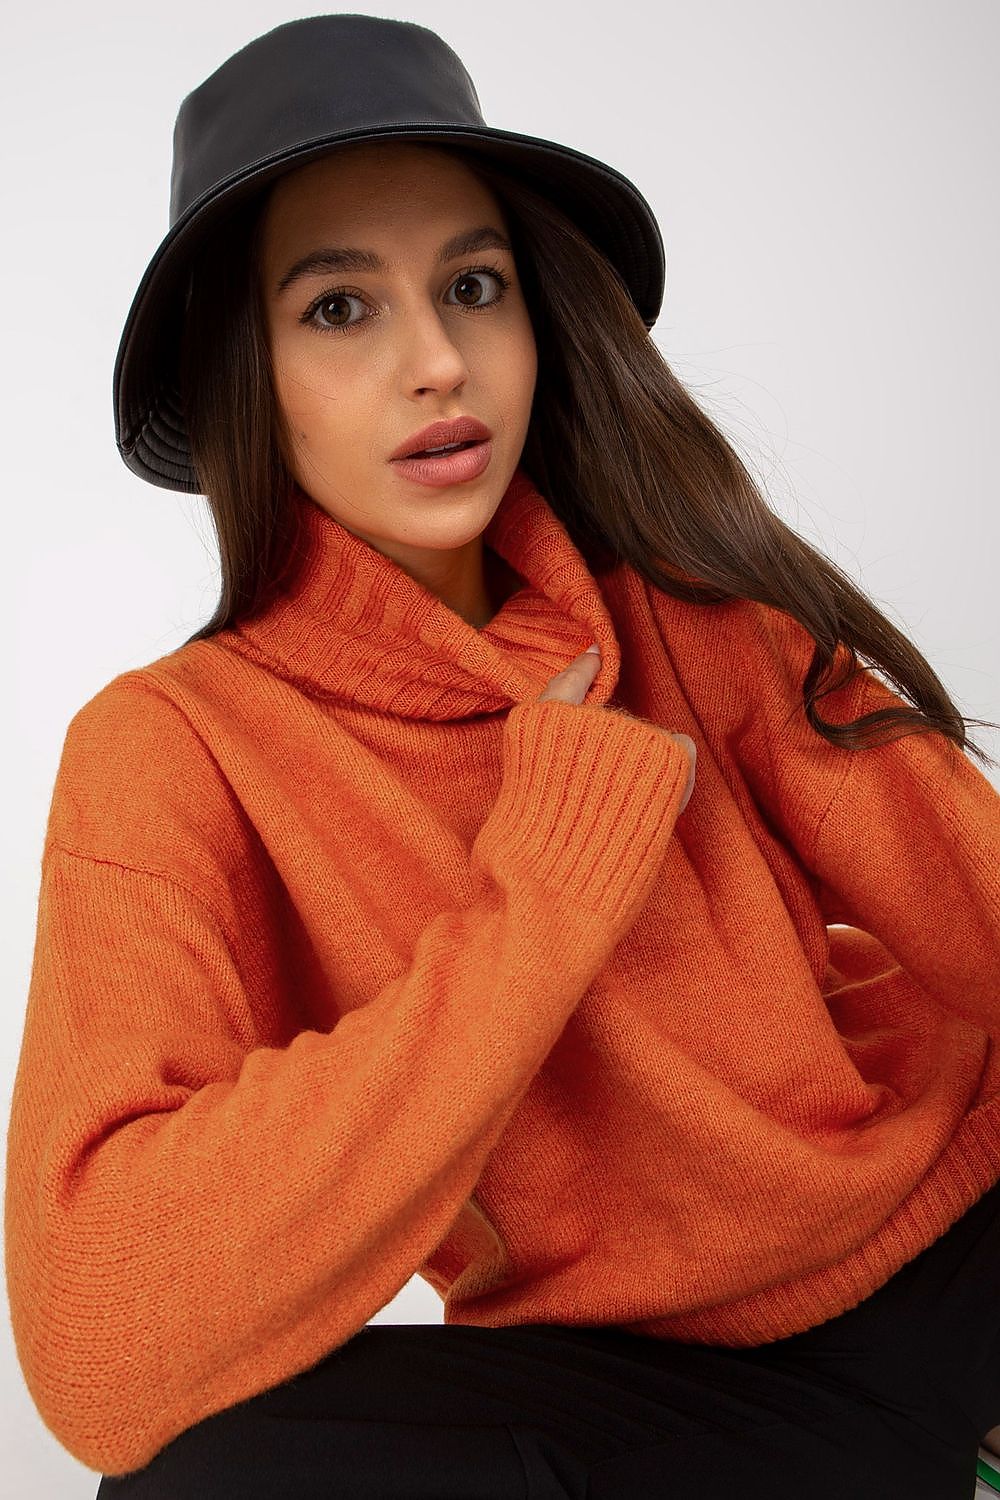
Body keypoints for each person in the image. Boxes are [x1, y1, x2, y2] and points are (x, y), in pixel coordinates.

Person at [5, 14, 1000, 1499]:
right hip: (652, 1394)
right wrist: (543, 885)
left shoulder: (685, 613)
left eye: (474, 287)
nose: (438, 363)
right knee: (202, 1482)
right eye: (340, 308)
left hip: (958, 1245)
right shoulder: (177, 748)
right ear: (241, 372)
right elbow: (99, 1346)